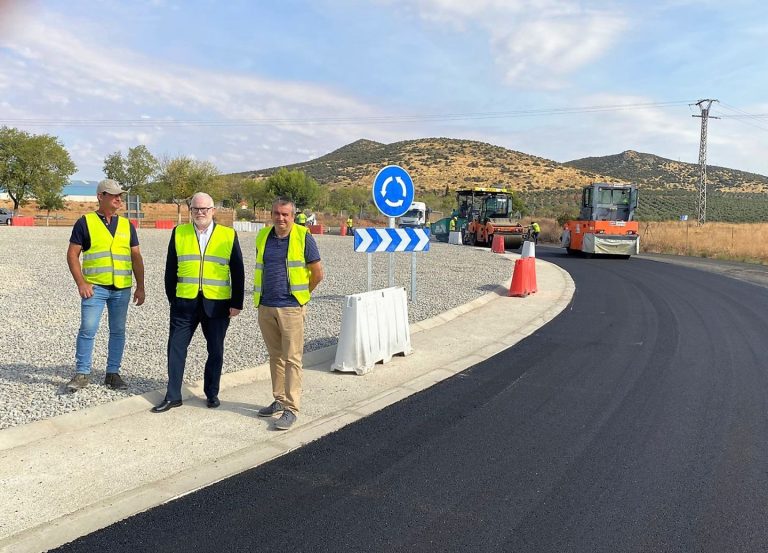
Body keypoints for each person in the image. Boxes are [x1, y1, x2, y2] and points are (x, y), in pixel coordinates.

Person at [151, 193, 245, 413]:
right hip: (184, 304)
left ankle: (212, 393)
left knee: (215, 351)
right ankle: (173, 396)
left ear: (213, 210)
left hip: (217, 304)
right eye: (196, 209)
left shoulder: (228, 234)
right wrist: (173, 298)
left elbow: (237, 270)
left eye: (205, 209)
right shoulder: (179, 232)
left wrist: (237, 302)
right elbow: (170, 268)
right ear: (190, 210)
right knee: (175, 349)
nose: (200, 212)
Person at [65, 179, 146, 392]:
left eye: (120, 195)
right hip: (95, 289)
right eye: (114, 195)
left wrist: (140, 286)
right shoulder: (85, 223)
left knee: (118, 331)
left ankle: (113, 374)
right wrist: (81, 283)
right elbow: (72, 255)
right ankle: (82, 373)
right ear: (100, 196)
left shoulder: (127, 225)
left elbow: (136, 257)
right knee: (88, 329)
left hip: (122, 289)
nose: (119, 198)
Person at [255, 197, 324, 430]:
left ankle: (291, 409)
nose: (280, 218)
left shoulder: (304, 237)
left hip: (291, 308)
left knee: (292, 358)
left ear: (293, 216)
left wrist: (301, 296)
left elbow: (317, 273)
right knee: (275, 356)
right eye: (276, 213)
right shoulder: (262, 236)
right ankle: (279, 399)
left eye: (285, 214)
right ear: (271, 214)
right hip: (266, 306)